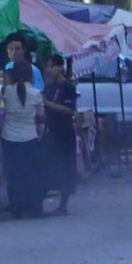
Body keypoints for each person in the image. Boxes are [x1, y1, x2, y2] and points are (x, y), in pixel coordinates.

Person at [0, 36, 47, 218]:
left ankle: (16, 210)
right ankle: (34, 208)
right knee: (32, 175)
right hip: (30, 138)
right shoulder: (35, 94)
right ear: (30, 75)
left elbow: (1, 109)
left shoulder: (7, 92)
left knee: (14, 175)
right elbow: (41, 117)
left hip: (9, 138)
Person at [41, 56, 81, 216]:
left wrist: (48, 104)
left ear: (60, 68)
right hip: (50, 130)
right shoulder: (49, 87)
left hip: (64, 131)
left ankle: (63, 204)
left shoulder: (67, 87)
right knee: (48, 165)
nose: (49, 70)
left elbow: (69, 110)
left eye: (52, 66)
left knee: (65, 166)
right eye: (48, 67)